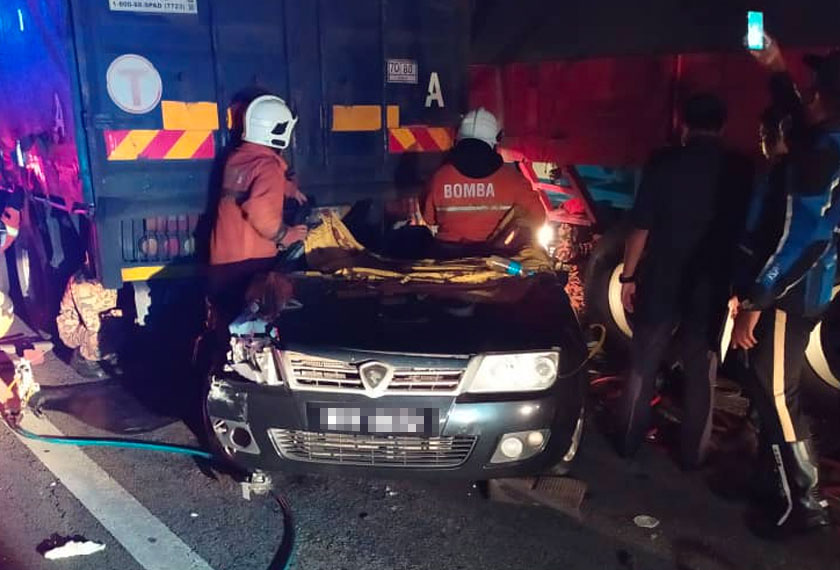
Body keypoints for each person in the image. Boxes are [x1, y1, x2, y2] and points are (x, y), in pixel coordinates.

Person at [731, 40, 840, 538]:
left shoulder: (817, 156)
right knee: (770, 386)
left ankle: (807, 500)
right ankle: (772, 480)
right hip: (812, 289)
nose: (806, 93)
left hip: (791, 295)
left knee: (776, 392)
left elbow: (802, 239)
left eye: (814, 87)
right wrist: (775, 67)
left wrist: (757, 298)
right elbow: (801, 107)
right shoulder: (828, 137)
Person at [617, 93, 754, 468]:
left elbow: (640, 226)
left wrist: (628, 276)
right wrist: (740, 291)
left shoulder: (665, 163)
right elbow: (748, 234)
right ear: (723, 126)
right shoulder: (740, 170)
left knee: (644, 362)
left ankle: (628, 441)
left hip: (663, 278)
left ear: (684, 124)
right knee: (701, 373)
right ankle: (693, 456)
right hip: (710, 285)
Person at [209, 94, 308, 325]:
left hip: (224, 260)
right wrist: (287, 235)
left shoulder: (238, 158)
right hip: (249, 265)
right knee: (252, 327)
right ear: (278, 130)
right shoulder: (268, 167)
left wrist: (288, 189)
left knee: (227, 321)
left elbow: (246, 183)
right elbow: (260, 210)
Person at [421, 108, 545, 244]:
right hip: (497, 259)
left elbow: (429, 218)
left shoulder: (439, 178)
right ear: (495, 140)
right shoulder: (514, 181)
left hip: (448, 257)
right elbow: (538, 217)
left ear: (458, 138)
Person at [56, 263, 123, 379]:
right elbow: (91, 322)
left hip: (96, 319)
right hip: (73, 329)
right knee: (97, 328)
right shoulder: (82, 283)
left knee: (117, 321)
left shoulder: (108, 275)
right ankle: (83, 359)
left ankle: (108, 353)